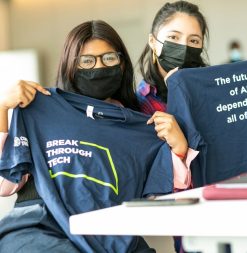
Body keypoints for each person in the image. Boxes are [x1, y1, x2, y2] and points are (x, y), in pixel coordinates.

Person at [0, 20, 176, 253]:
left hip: (107, 234)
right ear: (71, 65)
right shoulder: (41, 108)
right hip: (39, 227)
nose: (98, 67)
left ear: (122, 64)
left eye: (109, 58)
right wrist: (2, 108)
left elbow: (157, 199)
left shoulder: (140, 127)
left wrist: (179, 148)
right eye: (87, 61)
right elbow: (5, 185)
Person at [137, 1, 209, 252]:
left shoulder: (215, 93)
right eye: (173, 37)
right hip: (190, 230)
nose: (183, 47)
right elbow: (153, 188)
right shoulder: (139, 106)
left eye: (193, 41)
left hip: (239, 211)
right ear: (153, 42)